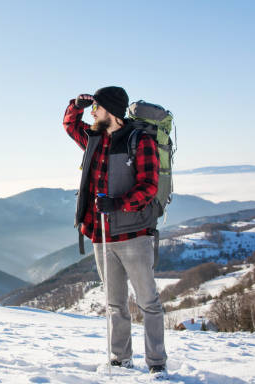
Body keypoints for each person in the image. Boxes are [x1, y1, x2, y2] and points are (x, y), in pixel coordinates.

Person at [63, 86, 167, 376]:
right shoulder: (94, 139)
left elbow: (149, 187)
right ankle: (120, 359)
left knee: (149, 302)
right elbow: (70, 125)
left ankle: (157, 363)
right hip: (101, 235)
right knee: (114, 304)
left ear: (111, 110)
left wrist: (118, 204)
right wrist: (77, 105)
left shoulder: (140, 141)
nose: (93, 112)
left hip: (134, 235)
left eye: (96, 107)